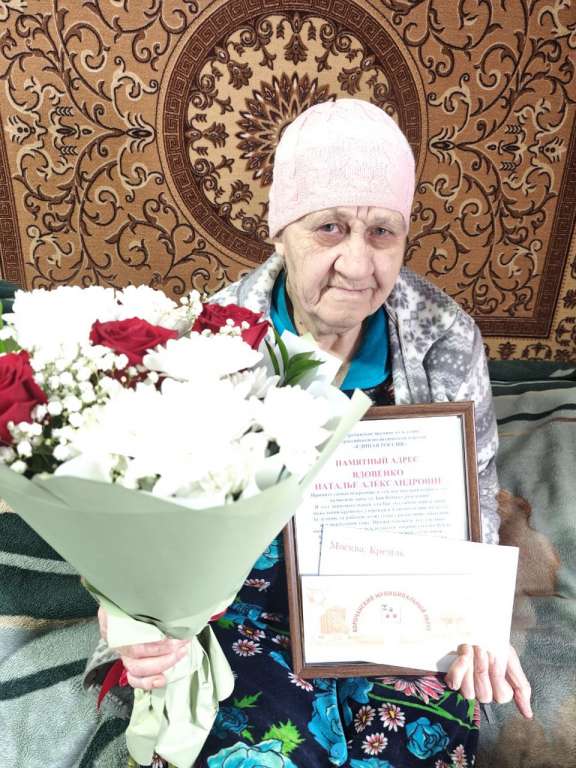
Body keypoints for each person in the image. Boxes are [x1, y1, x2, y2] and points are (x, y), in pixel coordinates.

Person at [90, 99, 532, 767]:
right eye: (330, 228)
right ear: (281, 232)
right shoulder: (211, 338)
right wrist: (134, 616)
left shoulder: (443, 335)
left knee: (417, 749)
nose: (357, 264)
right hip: (247, 607)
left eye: (382, 232)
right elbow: (153, 513)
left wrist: (479, 616)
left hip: (399, 601)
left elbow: (475, 495)